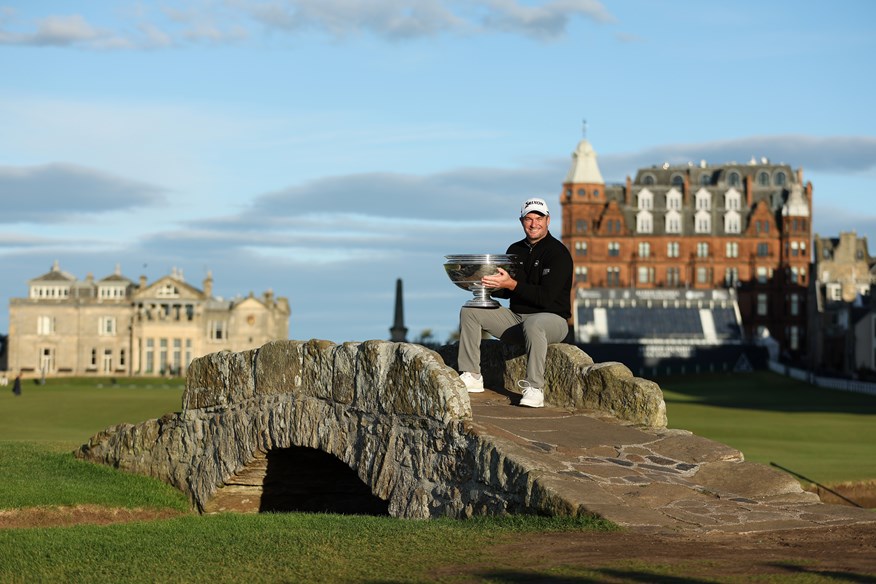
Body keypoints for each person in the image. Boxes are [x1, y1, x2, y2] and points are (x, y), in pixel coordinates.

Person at [456, 197, 573, 408]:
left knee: (534, 323)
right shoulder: (515, 249)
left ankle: (535, 388)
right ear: (521, 221)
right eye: (528, 218)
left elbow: (546, 298)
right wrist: (485, 283)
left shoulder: (559, 253)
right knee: (470, 310)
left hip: (553, 321)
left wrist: (511, 285)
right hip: (517, 319)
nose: (533, 223)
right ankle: (472, 375)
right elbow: (508, 291)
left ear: (548, 220)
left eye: (539, 218)